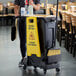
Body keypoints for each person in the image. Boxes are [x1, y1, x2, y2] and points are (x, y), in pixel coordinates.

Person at [14, 0, 40, 67]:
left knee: (33, 40)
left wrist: (33, 5)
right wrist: (16, 14)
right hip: (22, 19)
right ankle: (23, 58)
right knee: (22, 40)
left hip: (32, 20)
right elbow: (16, 6)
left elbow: (38, 8)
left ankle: (33, 58)